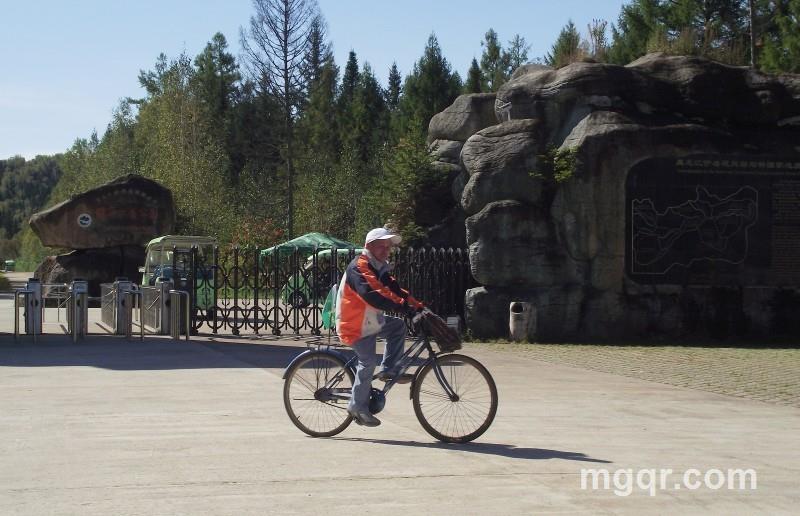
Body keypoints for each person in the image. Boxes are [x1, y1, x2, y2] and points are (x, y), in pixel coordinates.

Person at [335, 227, 424, 427]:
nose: (386, 250)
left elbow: (395, 290)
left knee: (397, 327)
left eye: (388, 247)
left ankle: (389, 369)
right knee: (367, 362)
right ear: (369, 246)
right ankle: (357, 407)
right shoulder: (359, 266)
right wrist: (402, 307)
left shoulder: (379, 266)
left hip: (370, 321)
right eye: (382, 246)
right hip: (354, 324)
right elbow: (373, 294)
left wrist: (417, 305)